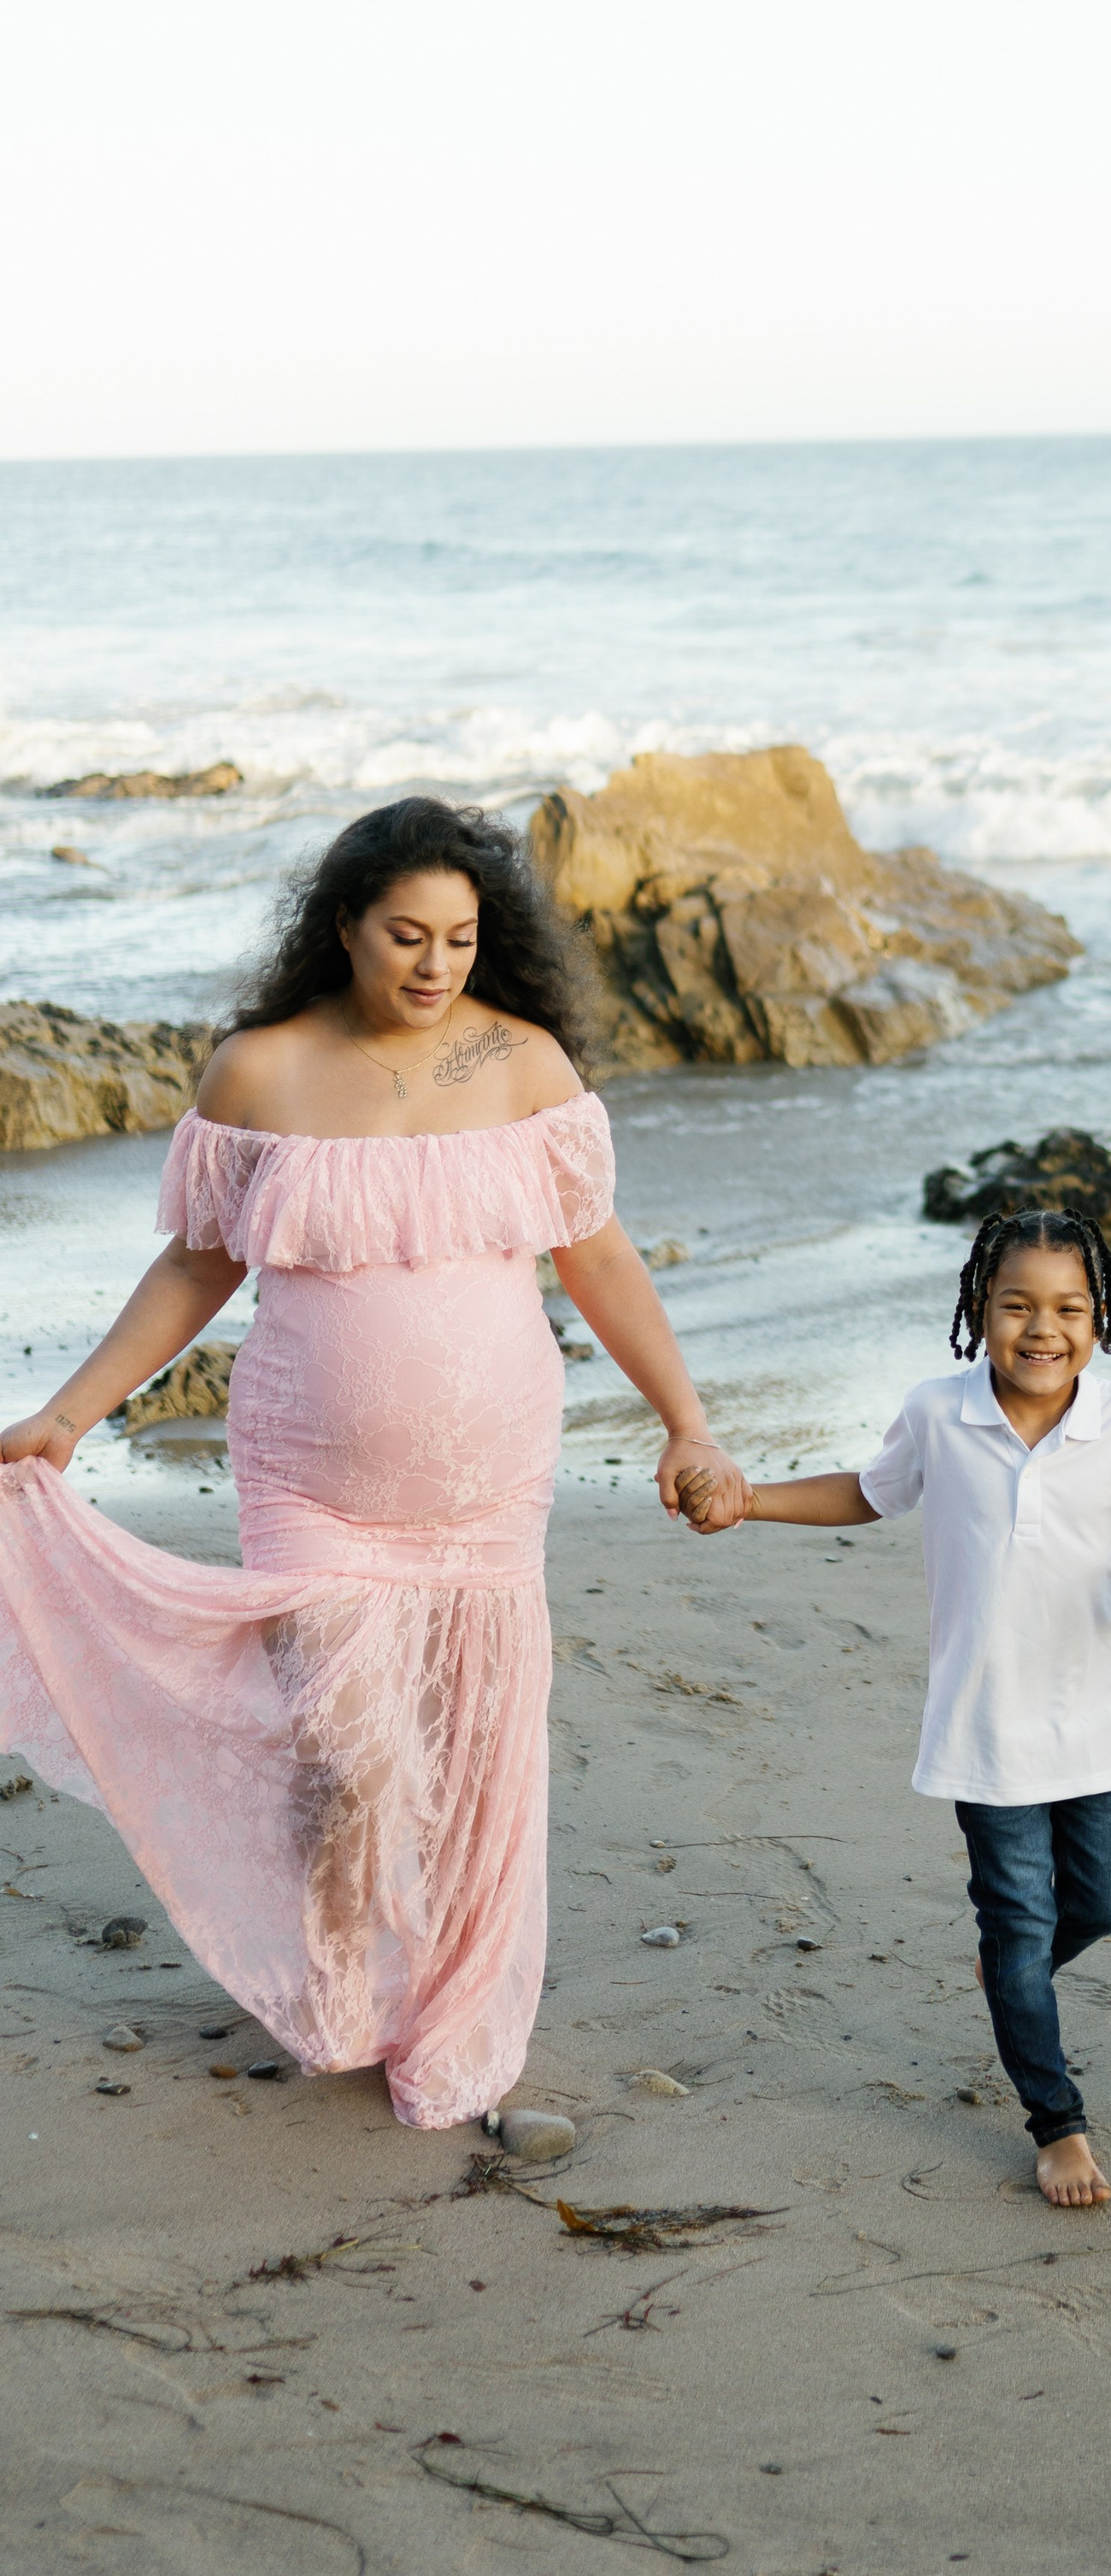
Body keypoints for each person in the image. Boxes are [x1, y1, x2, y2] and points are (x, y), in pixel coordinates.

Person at [0, 797, 750, 2130]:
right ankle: (339, 1983)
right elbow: (196, 1264)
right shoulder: (261, 1070)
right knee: (348, 1755)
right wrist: (69, 1413)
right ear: (342, 925)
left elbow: (602, 1258)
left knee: (470, 1754)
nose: (434, 965)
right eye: (406, 934)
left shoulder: (523, 1064)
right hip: (310, 1477)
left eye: (460, 939)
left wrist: (686, 1421)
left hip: (488, 1487)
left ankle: (448, 1996)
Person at [728, 1205, 1111, 2208]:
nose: (1042, 1327)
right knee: (1020, 1928)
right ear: (980, 1309)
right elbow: (868, 1490)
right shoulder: (939, 1413)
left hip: (1096, 1730)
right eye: (1017, 1303)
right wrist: (750, 1496)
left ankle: (1012, 1972)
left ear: (1100, 1317)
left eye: (1068, 1306)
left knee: (1109, 1900)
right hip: (983, 1732)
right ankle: (1055, 2118)